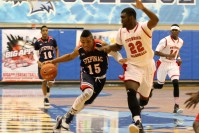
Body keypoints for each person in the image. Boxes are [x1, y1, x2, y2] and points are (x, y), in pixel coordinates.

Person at [96, 0, 159, 132]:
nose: (121, 20)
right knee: (130, 91)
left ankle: (145, 98)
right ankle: (137, 121)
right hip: (132, 66)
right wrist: (108, 47)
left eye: (123, 17)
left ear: (131, 17)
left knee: (144, 100)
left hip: (148, 66)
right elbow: (118, 46)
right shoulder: (121, 31)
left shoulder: (143, 27)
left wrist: (143, 8)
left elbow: (155, 19)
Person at [47, 30, 123, 132]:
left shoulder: (101, 45)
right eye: (83, 42)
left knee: (84, 103)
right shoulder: (80, 49)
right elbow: (69, 56)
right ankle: (68, 120)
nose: (85, 44)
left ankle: (63, 119)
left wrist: (121, 61)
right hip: (87, 74)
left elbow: (115, 53)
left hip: (101, 79)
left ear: (92, 39)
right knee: (88, 92)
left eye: (88, 42)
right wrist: (53, 61)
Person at [153, 24, 184, 114]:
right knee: (160, 85)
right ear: (170, 31)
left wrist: (178, 58)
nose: (174, 31)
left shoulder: (181, 41)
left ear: (179, 32)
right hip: (163, 63)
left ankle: (176, 106)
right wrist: (167, 55)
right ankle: (150, 87)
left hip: (173, 64)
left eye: (176, 30)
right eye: (172, 30)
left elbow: (177, 52)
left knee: (175, 82)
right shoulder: (165, 40)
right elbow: (156, 52)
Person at [34, 25, 59, 106]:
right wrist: (38, 62)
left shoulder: (52, 40)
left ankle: (48, 90)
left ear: (48, 31)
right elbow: (35, 54)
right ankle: (45, 98)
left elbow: (57, 49)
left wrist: (57, 60)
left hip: (51, 63)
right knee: (44, 81)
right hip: (42, 64)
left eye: (46, 30)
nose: (45, 32)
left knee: (50, 82)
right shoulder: (37, 42)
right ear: (41, 32)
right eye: (43, 30)